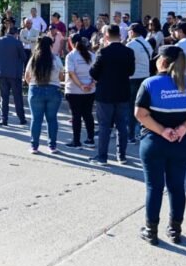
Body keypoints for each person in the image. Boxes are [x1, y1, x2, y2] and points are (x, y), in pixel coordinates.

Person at [135, 45, 186, 245]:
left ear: (163, 61)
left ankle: (151, 231)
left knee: (154, 187)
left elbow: (140, 114)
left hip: (154, 142)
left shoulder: (150, 83)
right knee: (177, 187)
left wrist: (161, 130)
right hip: (181, 142)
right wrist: (184, 127)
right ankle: (175, 230)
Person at [89, 24, 136, 166]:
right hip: (122, 92)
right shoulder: (128, 52)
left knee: (104, 126)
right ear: (120, 36)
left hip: (105, 94)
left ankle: (102, 157)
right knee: (122, 125)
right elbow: (131, 71)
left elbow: (93, 72)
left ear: (107, 36)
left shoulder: (103, 52)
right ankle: (121, 156)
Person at [25, 36, 65, 154]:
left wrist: (31, 85)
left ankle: (34, 146)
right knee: (52, 119)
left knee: (36, 119)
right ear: (51, 46)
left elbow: (27, 77)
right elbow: (61, 77)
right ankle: (52, 146)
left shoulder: (33, 59)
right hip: (53, 89)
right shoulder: (56, 59)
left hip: (36, 89)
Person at [65, 34, 96, 148]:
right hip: (90, 90)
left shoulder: (71, 56)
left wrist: (81, 85)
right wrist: (91, 83)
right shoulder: (92, 55)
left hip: (74, 90)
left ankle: (76, 141)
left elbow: (71, 73)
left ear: (71, 42)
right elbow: (96, 72)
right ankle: (90, 139)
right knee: (88, 114)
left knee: (76, 116)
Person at [126, 23, 153, 144]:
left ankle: (130, 135)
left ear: (132, 32)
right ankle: (144, 132)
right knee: (144, 106)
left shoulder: (131, 45)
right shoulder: (147, 43)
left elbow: (127, 62)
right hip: (146, 77)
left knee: (132, 107)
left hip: (133, 78)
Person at [0, 26, 27, 126]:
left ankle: (3, 119)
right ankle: (21, 118)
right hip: (14, 74)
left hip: (2, 73)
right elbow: (24, 57)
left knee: (4, 97)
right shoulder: (17, 43)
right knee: (17, 97)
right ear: (16, 34)